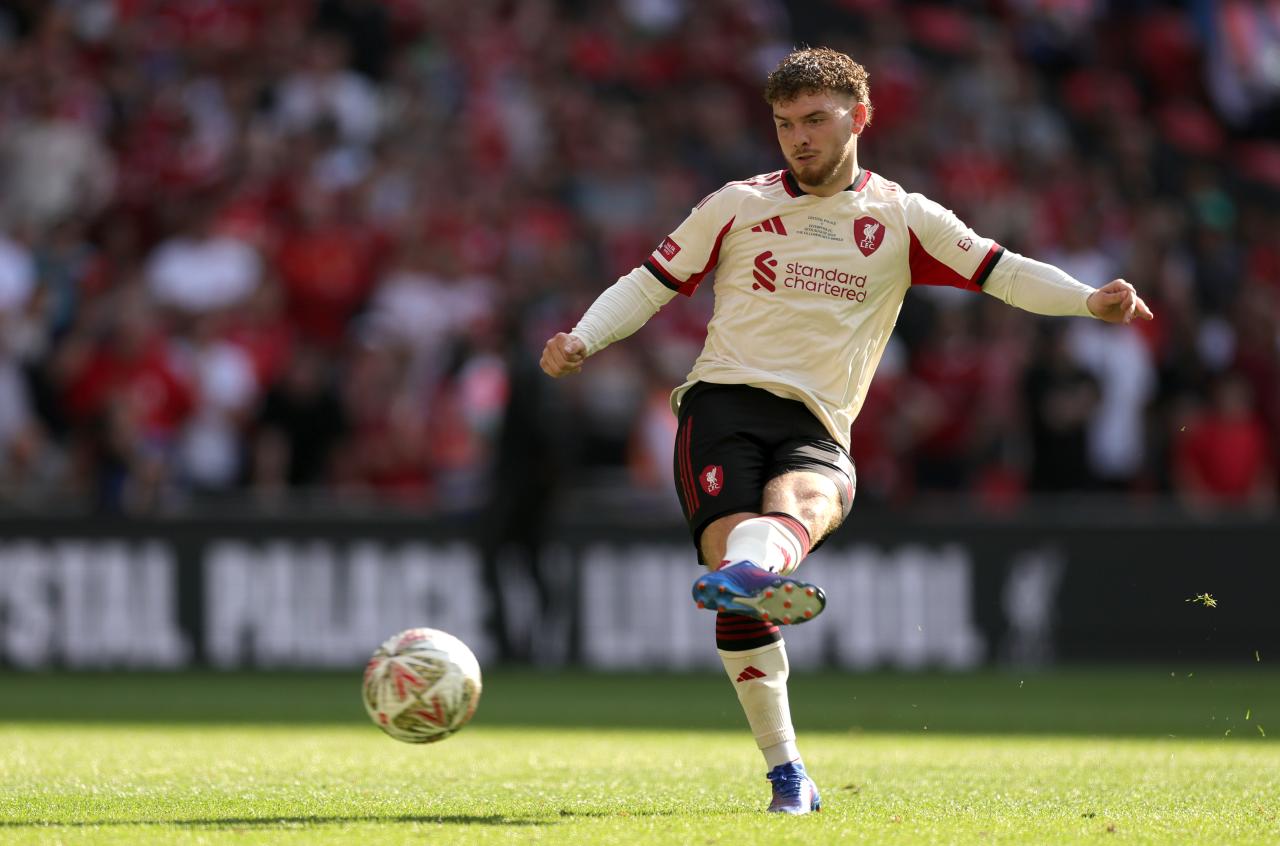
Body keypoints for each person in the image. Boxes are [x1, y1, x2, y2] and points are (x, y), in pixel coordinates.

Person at [540, 47, 1153, 815]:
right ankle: (787, 769)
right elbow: (649, 282)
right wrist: (583, 337)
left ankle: (752, 576)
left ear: (859, 117)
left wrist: (1088, 299)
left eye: (815, 120)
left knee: (790, 518)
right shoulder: (736, 204)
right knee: (742, 581)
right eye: (784, 124)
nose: (798, 138)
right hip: (724, 406)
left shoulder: (903, 217)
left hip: (820, 422)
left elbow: (1003, 271)